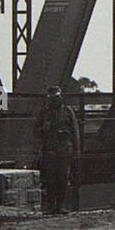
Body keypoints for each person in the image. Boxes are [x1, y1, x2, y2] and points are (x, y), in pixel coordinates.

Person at [34, 85, 80, 215]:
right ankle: (51, 206)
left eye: (57, 97)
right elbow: (35, 132)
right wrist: (44, 128)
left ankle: (60, 206)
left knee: (62, 178)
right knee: (49, 179)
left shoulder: (67, 111)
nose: (55, 100)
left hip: (64, 149)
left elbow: (74, 131)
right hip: (49, 150)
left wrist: (76, 150)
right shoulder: (44, 112)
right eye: (53, 98)